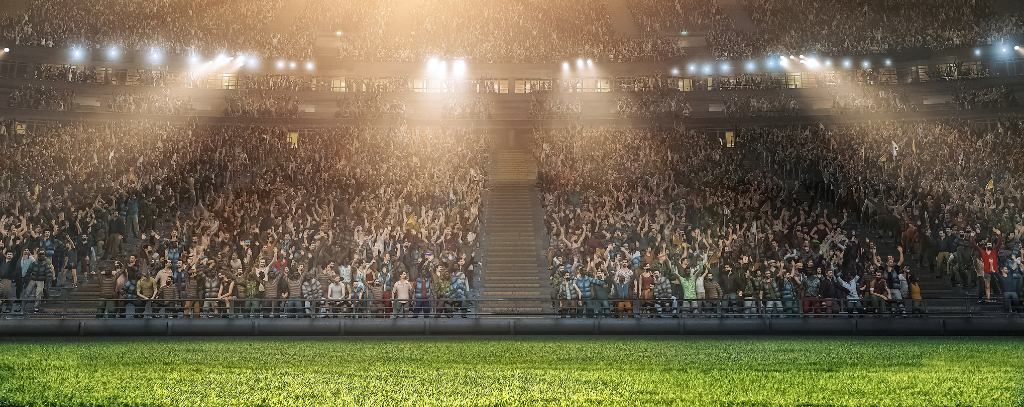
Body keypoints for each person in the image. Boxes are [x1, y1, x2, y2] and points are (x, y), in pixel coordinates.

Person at [24, 248, 50, 314]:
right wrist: (26, 281)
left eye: (43, 255)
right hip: (34, 279)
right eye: (41, 255)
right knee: (27, 292)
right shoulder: (34, 263)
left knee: (39, 293)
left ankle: (36, 307)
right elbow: (28, 272)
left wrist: (46, 284)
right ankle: (23, 305)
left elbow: (48, 275)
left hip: (40, 280)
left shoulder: (45, 264)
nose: (42, 257)